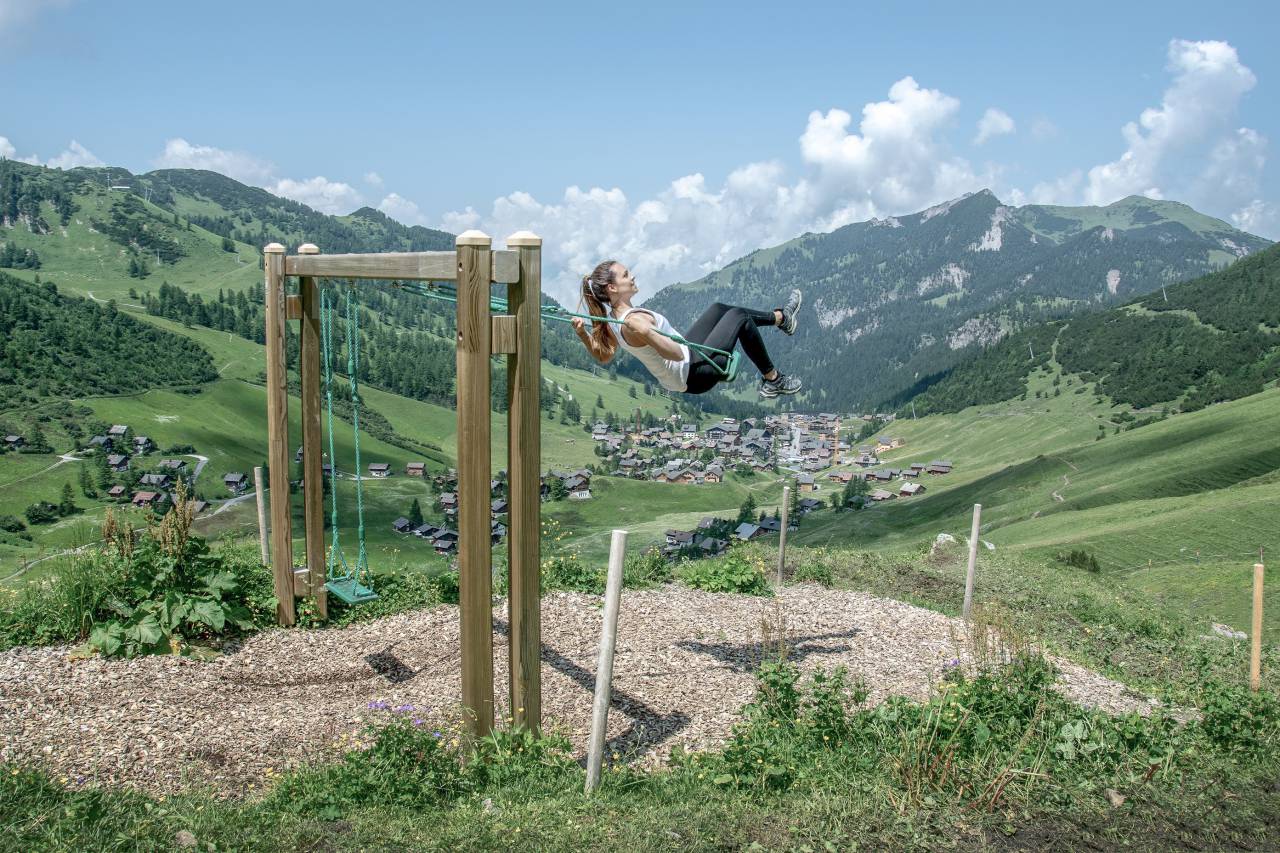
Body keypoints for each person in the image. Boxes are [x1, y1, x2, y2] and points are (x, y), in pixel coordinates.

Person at [571, 260, 804, 398]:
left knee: (718, 308)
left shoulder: (614, 319)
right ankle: (774, 380)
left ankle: (781, 319)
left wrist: (583, 334)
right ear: (612, 288)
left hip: (685, 365)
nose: (632, 276)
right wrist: (647, 332)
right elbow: (674, 353)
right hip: (694, 375)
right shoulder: (635, 323)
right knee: (739, 317)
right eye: (625, 275)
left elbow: (604, 356)